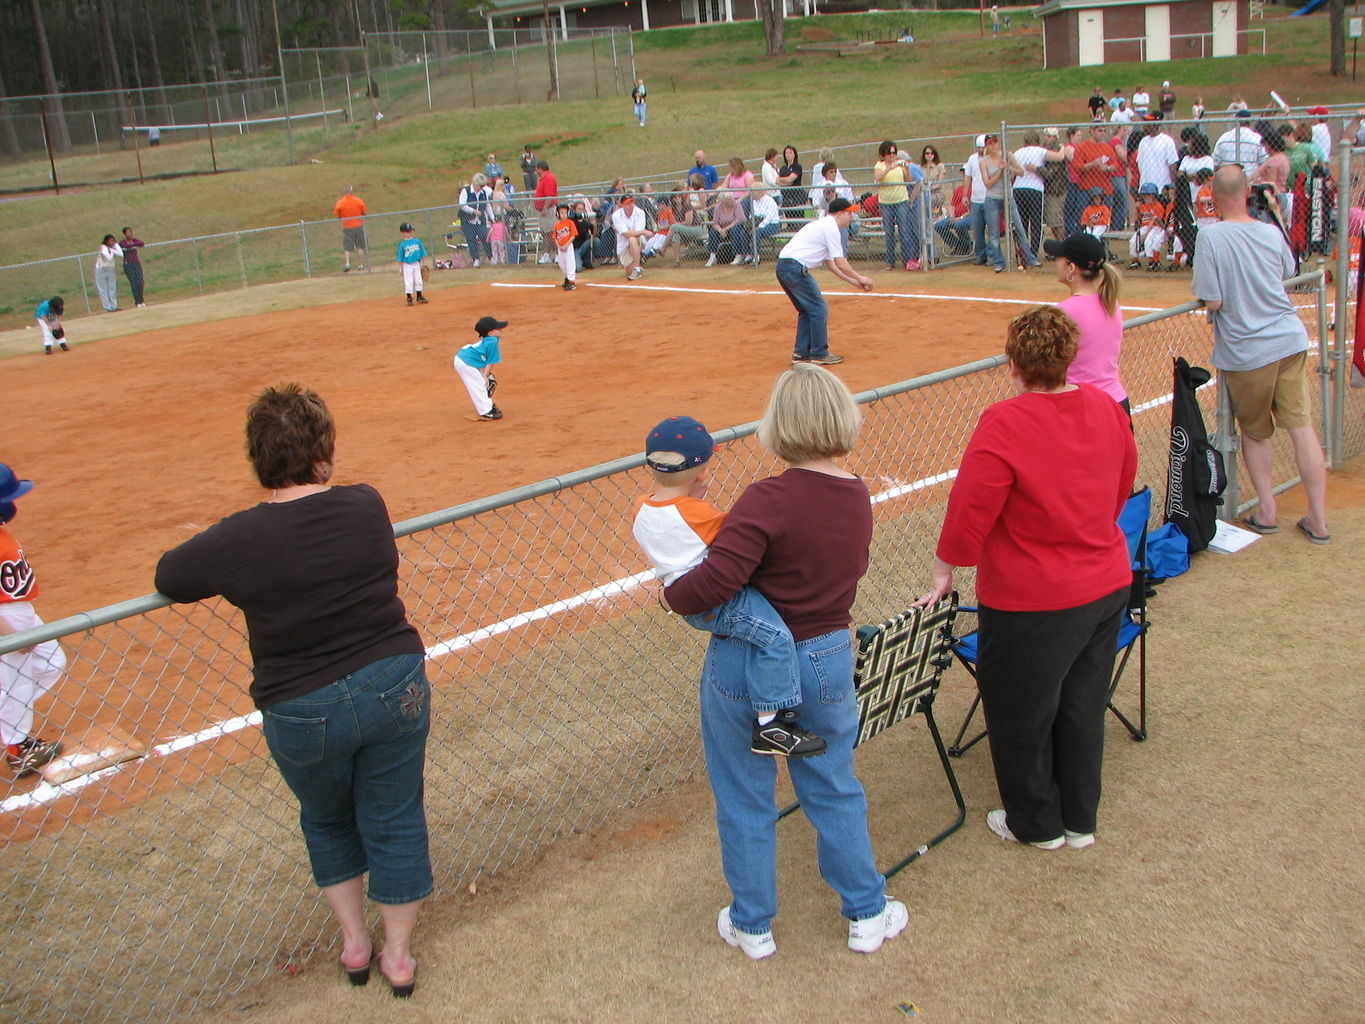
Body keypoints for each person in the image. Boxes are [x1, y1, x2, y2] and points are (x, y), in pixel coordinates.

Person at [155, 384, 431, 998]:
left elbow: (170, 576)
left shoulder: (240, 538)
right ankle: (400, 958)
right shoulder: (364, 503)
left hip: (301, 705)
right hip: (392, 680)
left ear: (258, 460)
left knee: (328, 819)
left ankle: (356, 945)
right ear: (323, 454)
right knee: (394, 814)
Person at [662, 364, 909, 959]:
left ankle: (753, 926)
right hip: (825, 658)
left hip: (746, 665)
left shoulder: (766, 498)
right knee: (832, 784)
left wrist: (671, 594)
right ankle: (866, 912)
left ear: (781, 424)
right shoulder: (856, 495)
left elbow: (716, 582)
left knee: (744, 793)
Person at [916, 305, 1137, 851]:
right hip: (1105, 583)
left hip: (1035, 600)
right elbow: (1122, 480)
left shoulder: (1007, 421)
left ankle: (1036, 824)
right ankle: (1079, 819)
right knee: (1082, 704)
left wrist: (945, 570)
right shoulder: (1107, 407)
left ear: (1013, 363)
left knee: (1020, 715)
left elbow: (971, 506)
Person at [633, 415, 826, 759]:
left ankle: (770, 714)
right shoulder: (698, 515)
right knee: (775, 637)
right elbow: (738, 537)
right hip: (718, 603)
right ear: (702, 471)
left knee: (757, 639)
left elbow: (676, 528)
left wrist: (692, 497)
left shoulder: (642, 507)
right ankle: (771, 724)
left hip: (688, 596)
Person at [1191, 165, 1329, 543]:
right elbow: (1287, 271)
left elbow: (1213, 298)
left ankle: (1267, 510)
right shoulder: (1269, 230)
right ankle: (1319, 519)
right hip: (1288, 338)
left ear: (1214, 197)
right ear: (1248, 191)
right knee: (1302, 429)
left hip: (1248, 348)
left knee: (1254, 433)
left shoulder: (1211, 236)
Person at [0, 464, 65, 778]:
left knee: (51, 663)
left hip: (21, 609)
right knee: (15, 680)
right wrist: (8, 633)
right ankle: (18, 750)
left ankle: (8, 723)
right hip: (5, 618)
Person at [774, 198, 872, 365]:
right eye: (849, 213)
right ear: (839, 214)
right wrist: (860, 277)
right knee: (819, 309)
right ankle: (819, 353)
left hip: (784, 267)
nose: (851, 217)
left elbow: (832, 266)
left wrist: (853, 282)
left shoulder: (825, 225)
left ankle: (801, 354)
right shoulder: (830, 227)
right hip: (794, 268)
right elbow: (841, 262)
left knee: (807, 310)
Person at [1044, 232, 1128, 412]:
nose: (1056, 263)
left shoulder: (1064, 312)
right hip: (1117, 402)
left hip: (1085, 406)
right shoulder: (1111, 302)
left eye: (1059, 259)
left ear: (1071, 267)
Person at [873, 140, 917, 271]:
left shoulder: (900, 165)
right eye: (889, 153)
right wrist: (888, 168)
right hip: (886, 202)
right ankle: (890, 262)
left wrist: (907, 169)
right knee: (889, 233)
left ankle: (906, 260)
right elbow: (877, 178)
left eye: (894, 152)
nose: (892, 155)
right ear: (883, 154)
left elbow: (909, 181)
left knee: (904, 231)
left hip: (901, 200)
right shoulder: (879, 165)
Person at [454, 316, 505, 422]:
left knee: (489, 381)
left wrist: (486, 375)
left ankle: (488, 404)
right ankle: (487, 412)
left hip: (468, 359)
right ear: (490, 333)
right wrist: (485, 376)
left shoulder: (490, 340)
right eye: (498, 328)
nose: (501, 330)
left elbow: (484, 360)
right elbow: (491, 361)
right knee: (479, 384)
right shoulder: (492, 341)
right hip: (465, 362)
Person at [611, 191, 651, 281]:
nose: (630, 205)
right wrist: (644, 231)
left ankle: (637, 267)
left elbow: (637, 234)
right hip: (624, 245)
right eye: (627, 204)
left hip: (638, 241)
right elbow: (625, 234)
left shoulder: (640, 212)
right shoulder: (616, 215)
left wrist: (640, 232)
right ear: (622, 205)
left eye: (631, 202)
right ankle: (638, 262)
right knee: (629, 272)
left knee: (632, 239)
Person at [334, 185, 368, 273]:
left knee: (347, 246)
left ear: (344, 192)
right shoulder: (358, 201)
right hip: (358, 225)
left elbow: (337, 215)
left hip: (347, 227)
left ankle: (347, 263)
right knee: (360, 246)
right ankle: (361, 265)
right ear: (352, 191)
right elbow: (364, 212)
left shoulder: (340, 203)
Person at [395, 223, 428, 306]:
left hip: (416, 263)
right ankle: (409, 298)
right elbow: (400, 258)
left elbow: (423, 253)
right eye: (408, 231)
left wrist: (425, 263)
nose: (410, 233)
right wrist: (401, 269)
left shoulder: (417, 241)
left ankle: (419, 297)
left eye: (410, 231)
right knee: (408, 281)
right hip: (407, 265)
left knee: (418, 280)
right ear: (403, 233)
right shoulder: (402, 245)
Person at [533, 160, 558, 263]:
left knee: (552, 232)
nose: (536, 171)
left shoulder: (548, 178)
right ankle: (547, 254)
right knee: (545, 233)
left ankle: (557, 254)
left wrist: (545, 208)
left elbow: (549, 195)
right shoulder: (543, 179)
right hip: (543, 211)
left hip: (548, 210)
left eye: (537, 169)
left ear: (540, 169)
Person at [552, 202, 578, 290]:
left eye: (565, 213)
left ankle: (572, 281)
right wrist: (559, 246)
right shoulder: (557, 225)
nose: (564, 215)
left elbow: (573, 235)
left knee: (570, 263)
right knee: (562, 264)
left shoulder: (570, 223)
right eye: (561, 213)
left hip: (568, 246)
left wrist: (566, 245)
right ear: (558, 214)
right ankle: (567, 278)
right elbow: (555, 237)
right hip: (560, 247)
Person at [120, 227, 147, 307]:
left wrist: (132, 244)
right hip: (128, 264)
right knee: (133, 282)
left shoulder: (134, 240)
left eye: (130, 232)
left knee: (140, 281)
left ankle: (141, 300)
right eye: (128, 232)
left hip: (136, 263)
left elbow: (141, 243)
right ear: (124, 234)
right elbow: (124, 246)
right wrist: (131, 246)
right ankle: (137, 301)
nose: (130, 234)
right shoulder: (122, 242)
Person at [95, 234, 122, 312]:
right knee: (103, 289)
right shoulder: (103, 247)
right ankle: (107, 307)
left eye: (113, 240)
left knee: (112, 287)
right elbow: (108, 257)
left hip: (110, 268)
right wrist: (113, 250)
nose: (112, 242)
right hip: (101, 268)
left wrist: (113, 249)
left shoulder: (115, 245)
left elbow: (121, 254)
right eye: (110, 240)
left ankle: (114, 305)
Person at [777, 145, 804, 223]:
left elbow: (790, 179)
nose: (788, 154)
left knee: (798, 218)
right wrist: (785, 182)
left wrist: (783, 180)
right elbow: (777, 181)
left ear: (794, 154)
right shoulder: (783, 168)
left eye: (790, 152)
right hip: (785, 197)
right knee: (789, 218)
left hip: (796, 196)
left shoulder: (797, 166)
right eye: (786, 153)